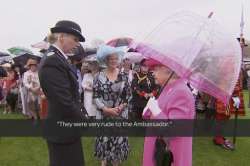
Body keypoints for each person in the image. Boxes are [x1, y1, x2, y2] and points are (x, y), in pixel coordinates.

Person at [38, 20, 85, 166]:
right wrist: (83, 120)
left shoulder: (58, 58)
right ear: (62, 37)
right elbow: (63, 100)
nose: (78, 44)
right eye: (75, 39)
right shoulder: (53, 60)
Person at [142, 58, 195, 166]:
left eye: (156, 69)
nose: (152, 73)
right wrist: (148, 110)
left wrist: (155, 111)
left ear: (169, 70)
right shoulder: (168, 88)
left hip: (169, 157)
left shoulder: (181, 92)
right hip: (158, 152)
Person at [93, 45, 130, 166]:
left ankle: (115, 162)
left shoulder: (124, 76)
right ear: (105, 60)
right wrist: (106, 109)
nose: (114, 61)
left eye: (115, 58)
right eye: (111, 58)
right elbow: (95, 97)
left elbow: (128, 95)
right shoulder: (98, 76)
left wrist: (120, 108)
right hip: (104, 115)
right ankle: (104, 161)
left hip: (119, 115)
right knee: (104, 141)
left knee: (117, 142)